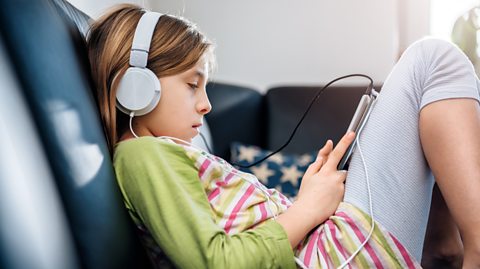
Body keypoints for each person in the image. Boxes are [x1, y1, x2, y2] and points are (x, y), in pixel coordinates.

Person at [86, 4, 480, 268]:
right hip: (329, 258)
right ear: (133, 88)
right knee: (431, 61)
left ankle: (445, 252)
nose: (206, 105)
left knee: (426, 79)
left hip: (325, 247)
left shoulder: (159, 153)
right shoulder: (143, 156)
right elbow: (216, 262)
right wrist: (307, 209)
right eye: (193, 84)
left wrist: (310, 197)